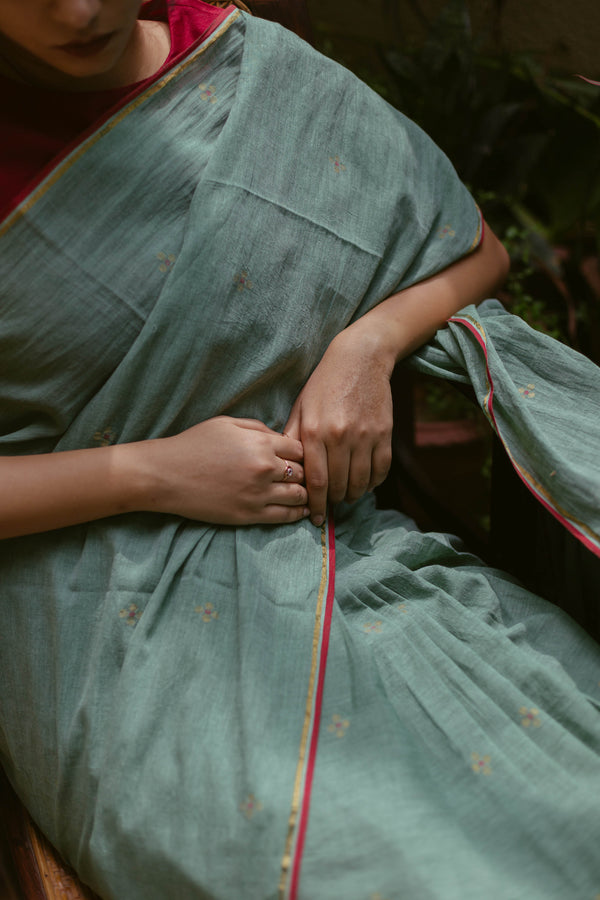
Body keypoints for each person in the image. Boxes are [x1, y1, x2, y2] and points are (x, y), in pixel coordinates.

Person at [0, 1, 599, 898]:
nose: (80, 9)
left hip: (334, 536)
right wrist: (154, 472)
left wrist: (367, 346)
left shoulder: (250, 73)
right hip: (94, 601)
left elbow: (470, 247)